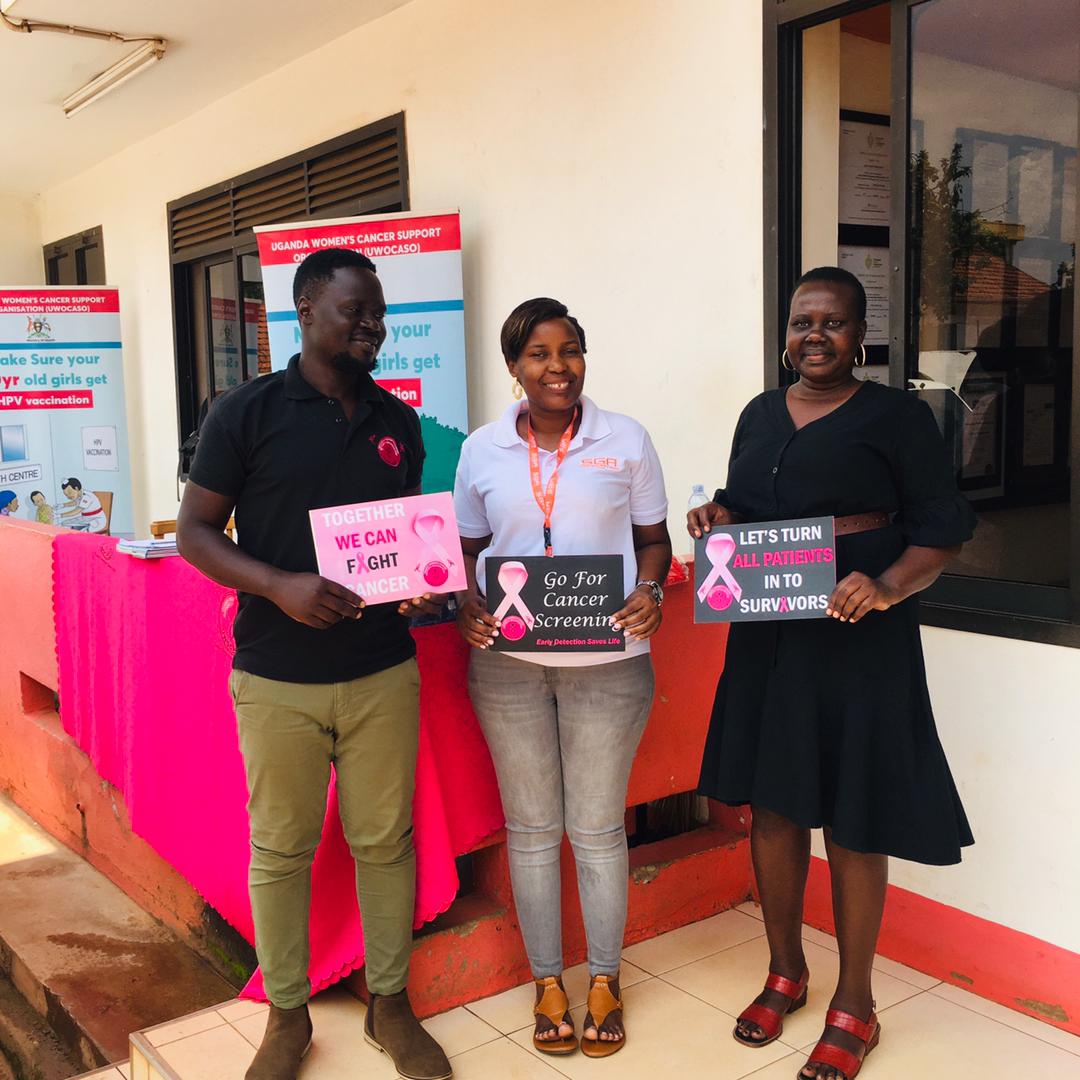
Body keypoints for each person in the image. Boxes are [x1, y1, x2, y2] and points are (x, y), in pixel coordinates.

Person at [689, 266, 975, 1080]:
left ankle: (857, 1001)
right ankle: (787, 969)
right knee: (775, 805)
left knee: (854, 815)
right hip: (769, 636)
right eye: (801, 321)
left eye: (833, 323)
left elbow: (942, 527)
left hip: (858, 640)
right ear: (786, 332)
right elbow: (747, 506)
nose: (815, 336)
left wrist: (887, 585)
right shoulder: (757, 413)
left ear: (860, 335)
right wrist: (719, 517)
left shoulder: (898, 416)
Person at [177, 248, 452, 1080]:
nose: (372, 327)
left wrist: (420, 589)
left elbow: (409, 547)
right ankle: (287, 1018)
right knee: (282, 849)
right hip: (275, 678)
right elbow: (193, 534)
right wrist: (279, 586)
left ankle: (391, 1005)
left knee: (384, 842)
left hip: (380, 672)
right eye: (354, 311)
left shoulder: (397, 422)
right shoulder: (244, 412)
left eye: (379, 314)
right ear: (303, 308)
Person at [454, 297, 672, 1058]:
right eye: (540, 354)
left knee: (597, 830)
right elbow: (467, 554)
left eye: (571, 350)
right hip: (509, 667)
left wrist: (648, 592)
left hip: (609, 666)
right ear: (514, 369)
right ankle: (549, 981)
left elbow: (654, 540)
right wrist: (466, 608)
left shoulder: (627, 440)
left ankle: (605, 979)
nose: (559, 367)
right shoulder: (482, 450)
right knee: (535, 832)